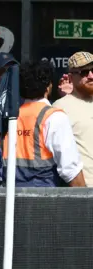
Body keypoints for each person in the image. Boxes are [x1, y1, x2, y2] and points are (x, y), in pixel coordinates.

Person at [2, 60, 85, 187]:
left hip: (10, 198)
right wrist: (85, 203)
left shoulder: (9, 117)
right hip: (43, 200)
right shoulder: (54, 117)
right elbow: (70, 170)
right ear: (49, 85)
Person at [53, 52, 93, 187]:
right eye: (84, 72)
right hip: (83, 191)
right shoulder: (59, 107)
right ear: (71, 77)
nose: (91, 76)